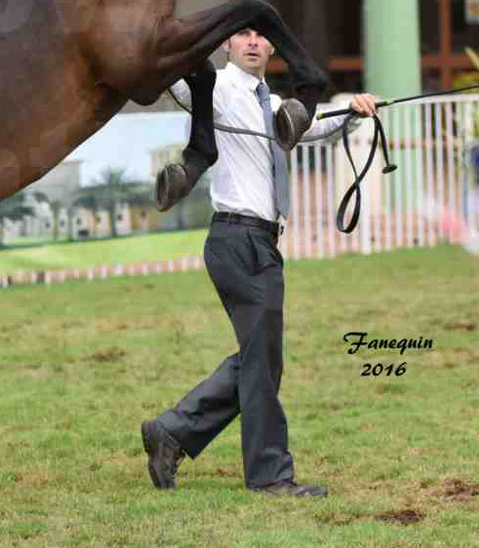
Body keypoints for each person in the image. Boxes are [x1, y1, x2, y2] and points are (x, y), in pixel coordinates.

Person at [141, 27, 379, 497]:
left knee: (260, 357)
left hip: (260, 243)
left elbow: (310, 128)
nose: (251, 41)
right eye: (241, 34)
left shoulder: (272, 105)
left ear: (272, 49)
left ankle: (172, 432)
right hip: (237, 238)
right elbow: (181, 85)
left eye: (260, 36)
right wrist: (170, 46)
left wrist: (352, 113)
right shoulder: (219, 92)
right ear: (227, 46)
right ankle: (269, 475)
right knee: (261, 360)